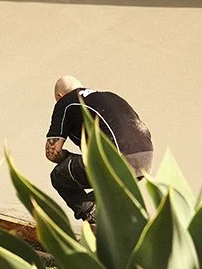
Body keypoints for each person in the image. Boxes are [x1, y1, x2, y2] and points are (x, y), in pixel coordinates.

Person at [45, 75, 153, 223]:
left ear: (59, 96)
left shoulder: (66, 102)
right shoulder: (110, 96)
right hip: (145, 159)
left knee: (59, 177)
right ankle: (115, 229)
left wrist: (68, 157)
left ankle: (94, 221)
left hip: (115, 158)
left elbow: (52, 153)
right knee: (99, 197)